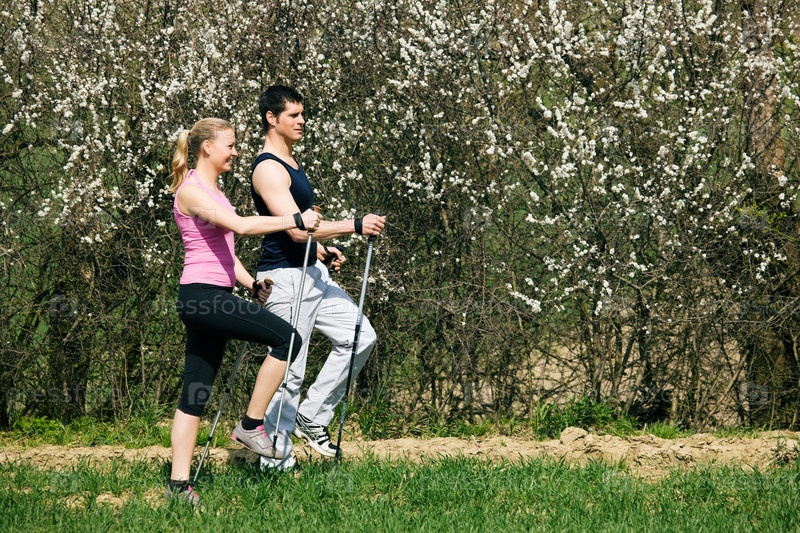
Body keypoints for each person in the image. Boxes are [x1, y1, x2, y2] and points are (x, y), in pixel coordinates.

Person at [166, 117, 321, 505]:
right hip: (203, 297)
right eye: (231, 145)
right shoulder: (191, 191)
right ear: (207, 148)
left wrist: (251, 283)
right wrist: (294, 219)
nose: (236, 152)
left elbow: (223, 252)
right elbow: (241, 226)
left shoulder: (215, 192)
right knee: (287, 338)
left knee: (194, 395)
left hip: (210, 296)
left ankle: (178, 486)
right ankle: (251, 424)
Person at [250, 85, 385, 470]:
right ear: (271, 118)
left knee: (359, 336)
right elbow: (295, 230)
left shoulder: (291, 163)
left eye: (302, 114)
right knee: (289, 370)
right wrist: (354, 225)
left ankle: (311, 416)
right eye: (293, 115)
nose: (302, 121)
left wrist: (322, 251)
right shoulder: (268, 168)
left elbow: (304, 233)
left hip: (312, 273)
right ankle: (274, 460)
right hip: (285, 279)